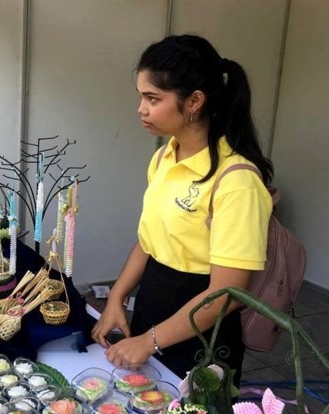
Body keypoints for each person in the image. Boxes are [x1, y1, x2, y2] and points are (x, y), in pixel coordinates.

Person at [91, 34, 273, 383]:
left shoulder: (236, 181)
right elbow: (149, 241)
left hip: (202, 329)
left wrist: (150, 340)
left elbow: (228, 293)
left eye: (152, 98)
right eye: (141, 97)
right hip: (152, 309)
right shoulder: (163, 157)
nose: (141, 109)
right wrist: (117, 296)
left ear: (194, 101)